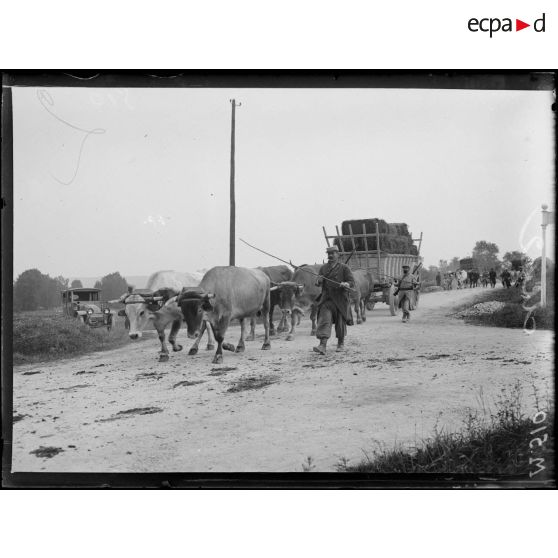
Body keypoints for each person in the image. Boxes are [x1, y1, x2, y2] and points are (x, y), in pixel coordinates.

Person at [313, 246, 355, 354]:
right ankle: (322, 345)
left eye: (333, 253)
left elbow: (351, 282)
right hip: (327, 299)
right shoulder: (323, 268)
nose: (330, 255)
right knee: (324, 320)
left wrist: (346, 284)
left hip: (340, 299)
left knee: (340, 322)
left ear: (338, 255)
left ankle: (340, 343)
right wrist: (319, 280)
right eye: (329, 253)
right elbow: (317, 281)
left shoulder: (344, 268)